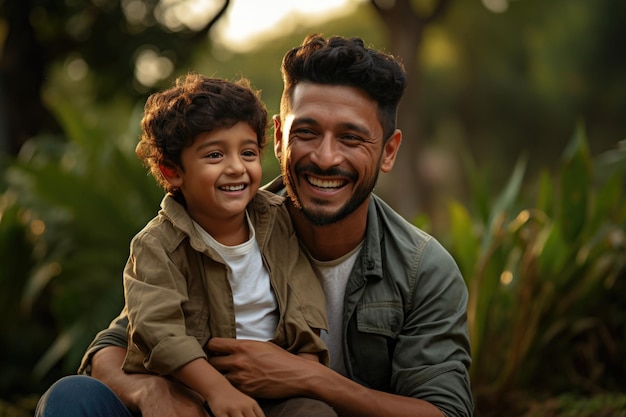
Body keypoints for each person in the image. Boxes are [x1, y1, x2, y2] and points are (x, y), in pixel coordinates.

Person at [35, 34, 473, 417]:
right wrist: (152, 391)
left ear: (389, 151)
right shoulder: (217, 223)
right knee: (73, 397)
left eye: (351, 138)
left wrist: (310, 378)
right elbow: (114, 346)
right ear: (279, 137)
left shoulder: (421, 270)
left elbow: (445, 411)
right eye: (307, 132)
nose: (325, 157)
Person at [36, 73, 333, 417]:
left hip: (277, 392)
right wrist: (218, 390)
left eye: (248, 152)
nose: (237, 167)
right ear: (172, 170)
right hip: (189, 393)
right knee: (69, 395)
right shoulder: (156, 245)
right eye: (215, 155)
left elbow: (304, 303)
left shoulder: (282, 222)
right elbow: (158, 331)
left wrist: (306, 374)